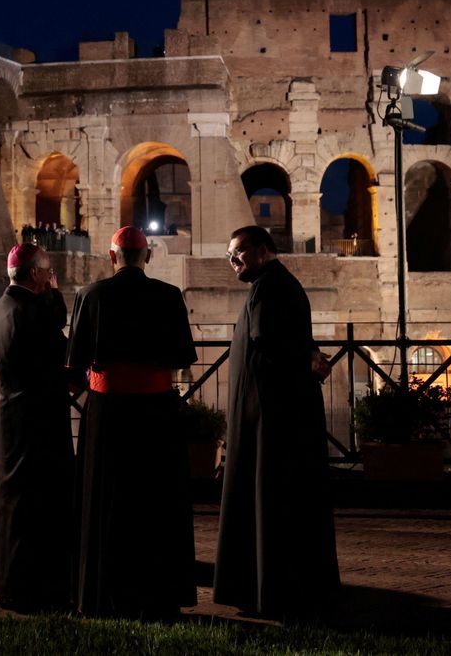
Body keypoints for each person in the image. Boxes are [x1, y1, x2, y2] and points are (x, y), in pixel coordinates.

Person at [65, 225, 197, 619]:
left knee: (104, 499)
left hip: (108, 411)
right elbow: (182, 358)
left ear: (112, 257)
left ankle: (102, 594)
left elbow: (75, 362)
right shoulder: (170, 296)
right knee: (156, 501)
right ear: (148, 257)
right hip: (156, 412)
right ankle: (158, 593)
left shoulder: (89, 295)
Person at [213, 225, 339, 619]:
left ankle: (270, 589)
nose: (233, 260)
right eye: (230, 254)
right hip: (270, 414)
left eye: (239, 252)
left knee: (270, 501)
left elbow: (272, 342)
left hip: (269, 420)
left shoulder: (271, 287)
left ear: (263, 250)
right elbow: (290, 340)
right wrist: (309, 356)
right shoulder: (274, 285)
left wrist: (306, 358)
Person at [0, 243, 75, 612]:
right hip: (39, 417)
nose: (50, 279)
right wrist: (54, 298)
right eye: (48, 272)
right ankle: (38, 588)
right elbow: (61, 355)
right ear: (35, 273)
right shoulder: (33, 312)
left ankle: (7, 583)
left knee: (10, 503)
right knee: (42, 503)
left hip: (7, 415)